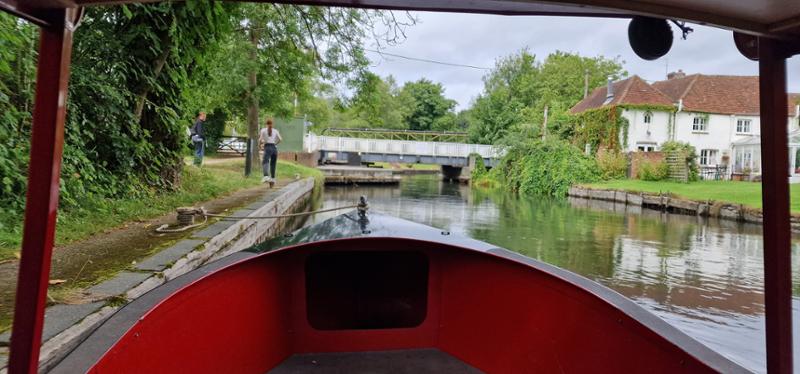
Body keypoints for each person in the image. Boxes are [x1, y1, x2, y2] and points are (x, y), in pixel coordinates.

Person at [259, 118, 282, 185]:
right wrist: (275, 144)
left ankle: (266, 176)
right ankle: (273, 178)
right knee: (273, 164)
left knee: (265, 161)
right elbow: (280, 139)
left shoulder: (263, 130)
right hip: (274, 148)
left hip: (267, 147)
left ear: (266, 124)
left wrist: (260, 145)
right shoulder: (276, 130)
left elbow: (260, 140)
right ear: (272, 124)